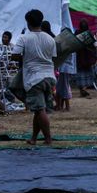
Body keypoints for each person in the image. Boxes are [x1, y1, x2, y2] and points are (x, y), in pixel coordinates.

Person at [12, 9, 57, 145]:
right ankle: (34, 138)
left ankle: (48, 138)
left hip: (33, 78)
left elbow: (15, 55)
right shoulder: (50, 38)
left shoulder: (24, 38)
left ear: (27, 23)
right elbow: (53, 56)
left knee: (39, 109)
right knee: (38, 110)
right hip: (49, 76)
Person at [74, 20, 97, 98]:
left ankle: (82, 90)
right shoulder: (89, 33)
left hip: (80, 57)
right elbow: (93, 46)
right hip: (87, 58)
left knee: (80, 74)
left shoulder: (77, 33)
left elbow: (74, 43)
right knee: (87, 74)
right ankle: (84, 89)